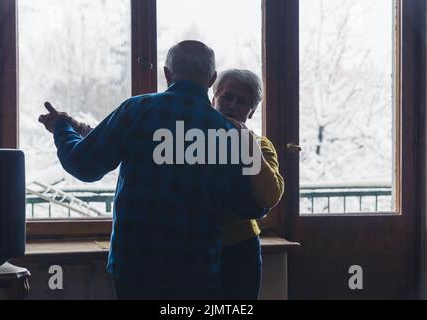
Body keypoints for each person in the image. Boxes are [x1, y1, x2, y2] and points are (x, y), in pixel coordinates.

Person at [38, 41, 268, 300]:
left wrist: (62, 129)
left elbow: (84, 165)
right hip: (198, 269)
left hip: (136, 264)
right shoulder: (227, 133)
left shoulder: (136, 110)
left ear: (167, 73)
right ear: (212, 79)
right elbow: (248, 206)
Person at [212, 69, 285, 300]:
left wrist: (247, 144)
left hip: (239, 247)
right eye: (227, 97)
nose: (232, 105)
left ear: (251, 112)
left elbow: (270, 196)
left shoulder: (260, 145)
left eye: (242, 101)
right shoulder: (193, 140)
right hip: (193, 246)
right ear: (213, 99)